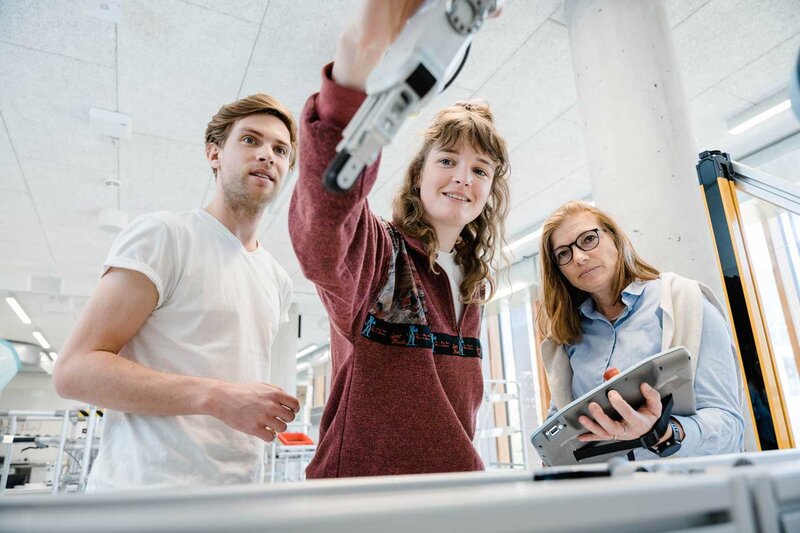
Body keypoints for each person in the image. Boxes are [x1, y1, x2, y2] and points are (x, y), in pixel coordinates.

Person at [289, 0, 510, 477]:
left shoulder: (471, 286)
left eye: (480, 169)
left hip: (452, 499)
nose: (462, 178)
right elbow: (322, 235)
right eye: (447, 160)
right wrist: (358, 61)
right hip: (363, 502)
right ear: (417, 177)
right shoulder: (381, 256)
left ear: (490, 192)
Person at [53, 93, 301, 491]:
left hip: (235, 502)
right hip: (145, 500)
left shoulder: (276, 278)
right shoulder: (165, 236)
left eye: (280, 149)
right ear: (214, 153)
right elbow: (75, 371)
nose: (267, 155)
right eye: (250, 140)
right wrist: (216, 396)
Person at [537, 200, 744, 459]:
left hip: (683, 491)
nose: (579, 257)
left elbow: (729, 426)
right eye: (563, 254)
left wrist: (663, 432)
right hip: (604, 494)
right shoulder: (567, 337)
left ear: (614, 238)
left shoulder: (684, 301)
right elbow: (561, 427)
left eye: (588, 239)